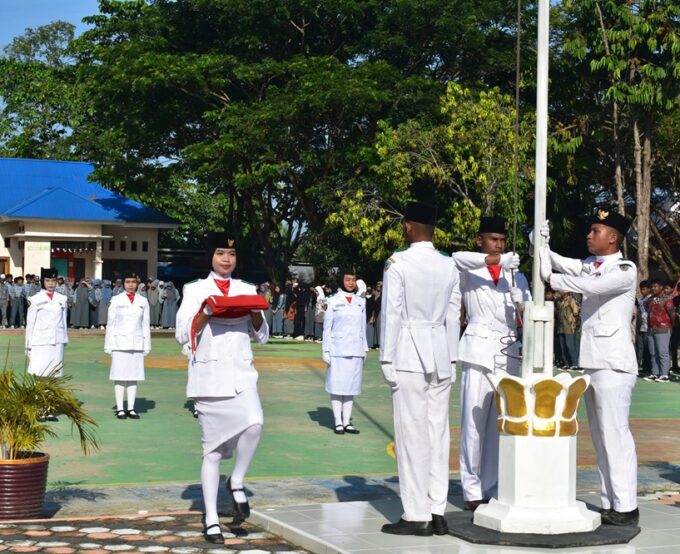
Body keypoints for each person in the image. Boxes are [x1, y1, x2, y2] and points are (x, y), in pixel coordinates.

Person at [539, 208, 639, 526]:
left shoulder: (624, 269)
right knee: (599, 436)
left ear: (612, 237)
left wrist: (551, 278)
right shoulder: (589, 265)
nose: (589, 234)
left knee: (615, 435)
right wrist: (541, 245)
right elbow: (561, 262)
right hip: (593, 361)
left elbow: (591, 287)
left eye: (595, 230)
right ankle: (611, 502)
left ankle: (626, 506)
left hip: (614, 363)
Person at [175, 232, 269, 543]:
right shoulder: (195, 289)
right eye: (220, 253)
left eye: (231, 254)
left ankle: (237, 481)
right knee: (212, 451)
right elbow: (181, 333)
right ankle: (212, 519)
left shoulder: (247, 289)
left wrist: (254, 312)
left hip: (242, 373)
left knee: (255, 423)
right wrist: (206, 312)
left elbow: (262, 335)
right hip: (210, 376)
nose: (226, 259)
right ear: (210, 257)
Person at [379, 201, 461, 537]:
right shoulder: (448, 264)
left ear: (410, 227)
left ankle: (416, 515)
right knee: (437, 434)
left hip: (410, 353)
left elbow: (392, 313)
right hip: (441, 352)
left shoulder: (398, 263)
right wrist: (452, 355)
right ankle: (437, 510)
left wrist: (387, 358)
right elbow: (454, 314)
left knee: (411, 434)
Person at [451, 216, 528, 511]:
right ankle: (470, 487)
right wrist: (501, 259)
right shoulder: (470, 269)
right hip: (478, 351)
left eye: (502, 240)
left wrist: (522, 300)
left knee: (500, 423)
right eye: (493, 239)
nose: (499, 244)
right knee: (473, 422)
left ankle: (491, 485)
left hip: (507, 352)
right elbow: (458, 258)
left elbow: (525, 310)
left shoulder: (515, 275)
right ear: (479, 241)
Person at [322, 270, 368, 435]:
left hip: (355, 349)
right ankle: (338, 422)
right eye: (347, 279)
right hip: (337, 350)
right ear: (341, 281)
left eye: (353, 280)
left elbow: (363, 326)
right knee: (337, 386)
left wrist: (365, 348)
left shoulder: (360, 302)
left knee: (351, 387)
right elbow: (327, 327)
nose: (350, 283)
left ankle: (347, 422)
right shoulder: (332, 301)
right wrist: (325, 350)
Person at [105, 272, 151, 420]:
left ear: (137, 283)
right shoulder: (116, 300)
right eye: (127, 282)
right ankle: (120, 408)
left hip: (137, 343)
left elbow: (145, 325)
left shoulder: (143, 301)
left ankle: (131, 408)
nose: (131, 285)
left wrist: (147, 345)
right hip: (119, 343)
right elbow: (110, 324)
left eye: (133, 281)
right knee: (119, 377)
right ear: (123, 283)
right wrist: (108, 345)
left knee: (133, 377)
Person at [25, 268, 69, 421]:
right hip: (40, 342)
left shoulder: (62, 299)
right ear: (43, 282)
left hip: (57, 341)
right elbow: (30, 324)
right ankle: (39, 408)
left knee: (53, 377)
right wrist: (28, 345)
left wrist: (65, 339)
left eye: (53, 281)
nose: (51, 284)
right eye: (48, 281)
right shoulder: (35, 299)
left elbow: (63, 321)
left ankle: (49, 409)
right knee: (40, 376)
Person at [644, 277, 675, 383]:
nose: (653, 288)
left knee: (662, 352)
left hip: (663, 328)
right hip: (651, 329)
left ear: (661, 287)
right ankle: (655, 373)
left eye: (655, 286)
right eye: (652, 286)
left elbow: (672, 315)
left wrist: (671, 326)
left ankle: (664, 374)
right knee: (653, 352)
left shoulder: (667, 299)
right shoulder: (649, 300)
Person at [556, 291, 580, 369]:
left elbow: (576, 312)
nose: (559, 292)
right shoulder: (559, 301)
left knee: (570, 345)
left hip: (569, 327)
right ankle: (567, 363)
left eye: (561, 291)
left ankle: (575, 363)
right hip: (560, 326)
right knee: (562, 346)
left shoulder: (571, 300)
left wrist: (573, 322)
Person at [636, 280, 652, 373]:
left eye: (644, 289)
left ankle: (647, 366)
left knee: (647, 348)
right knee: (640, 347)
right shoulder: (640, 299)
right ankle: (638, 365)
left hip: (648, 327)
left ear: (649, 289)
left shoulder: (650, 299)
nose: (642, 291)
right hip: (641, 326)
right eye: (641, 289)